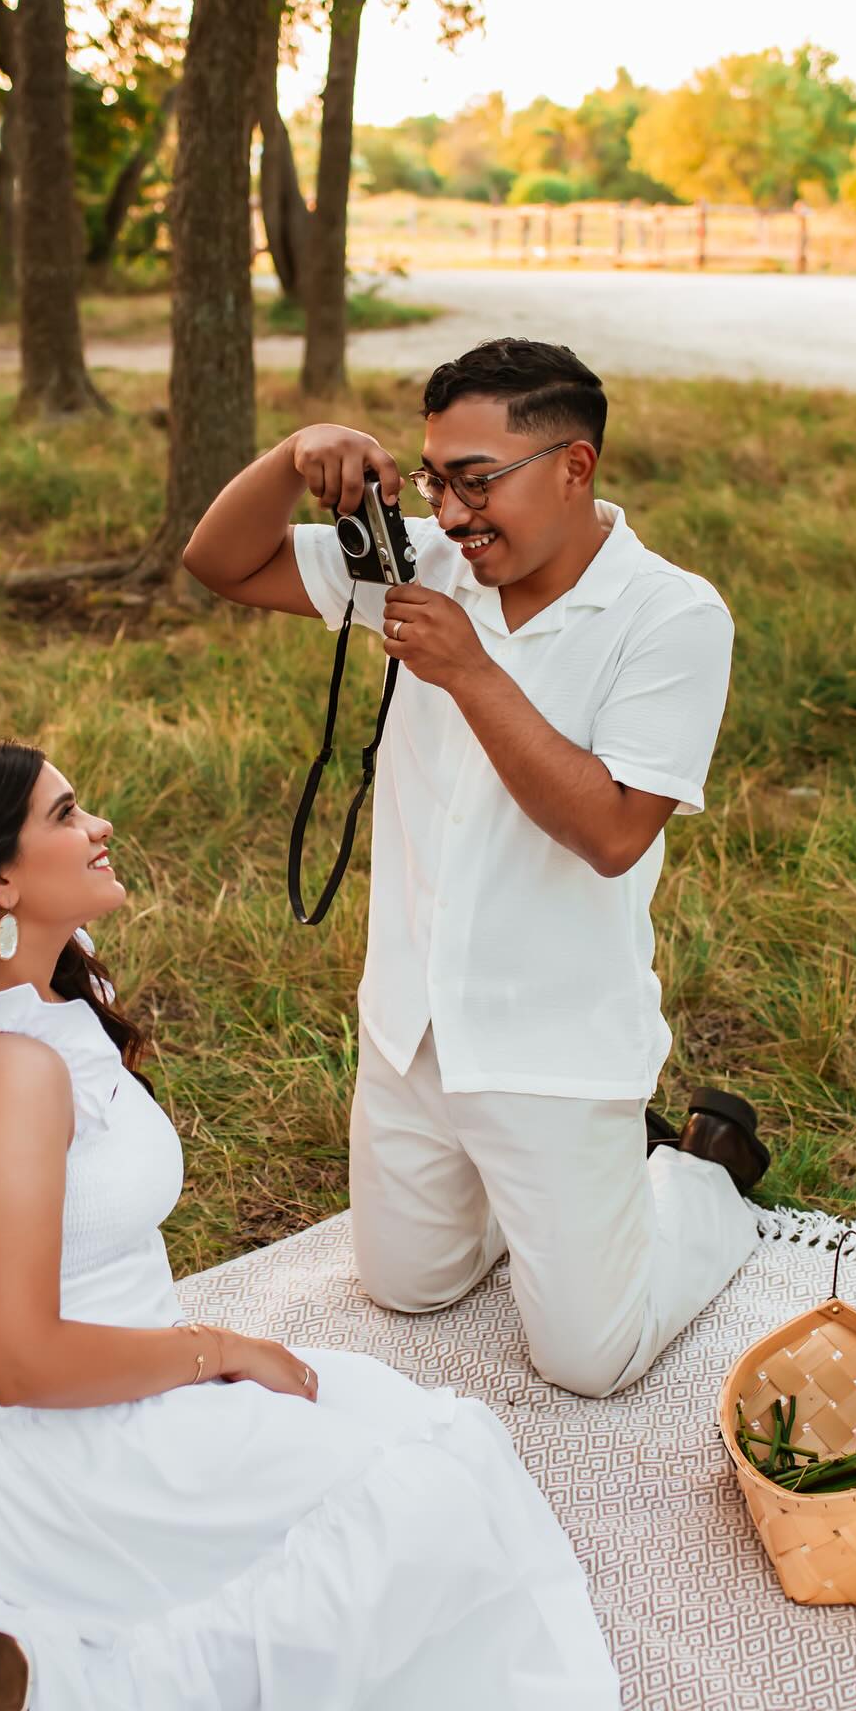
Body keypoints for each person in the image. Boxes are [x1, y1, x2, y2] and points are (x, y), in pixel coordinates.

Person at [0, 738, 617, 1711]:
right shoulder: (10, 1076)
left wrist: (189, 1358)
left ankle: (52, 1651)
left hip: (110, 1376)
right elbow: (18, 1358)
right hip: (46, 1432)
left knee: (410, 1448)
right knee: (433, 1497)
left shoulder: (52, 1010)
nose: (100, 827)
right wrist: (217, 1353)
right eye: (67, 814)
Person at [183, 337, 768, 1401]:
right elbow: (221, 563)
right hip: (412, 1023)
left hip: (555, 1037)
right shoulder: (421, 569)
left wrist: (468, 669)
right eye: (434, 479)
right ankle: (547, 1198)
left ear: (575, 467)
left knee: (590, 1362)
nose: (451, 515)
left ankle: (698, 1177)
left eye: (477, 481)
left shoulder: (672, 614)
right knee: (409, 1287)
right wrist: (290, 456)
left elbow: (612, 833)